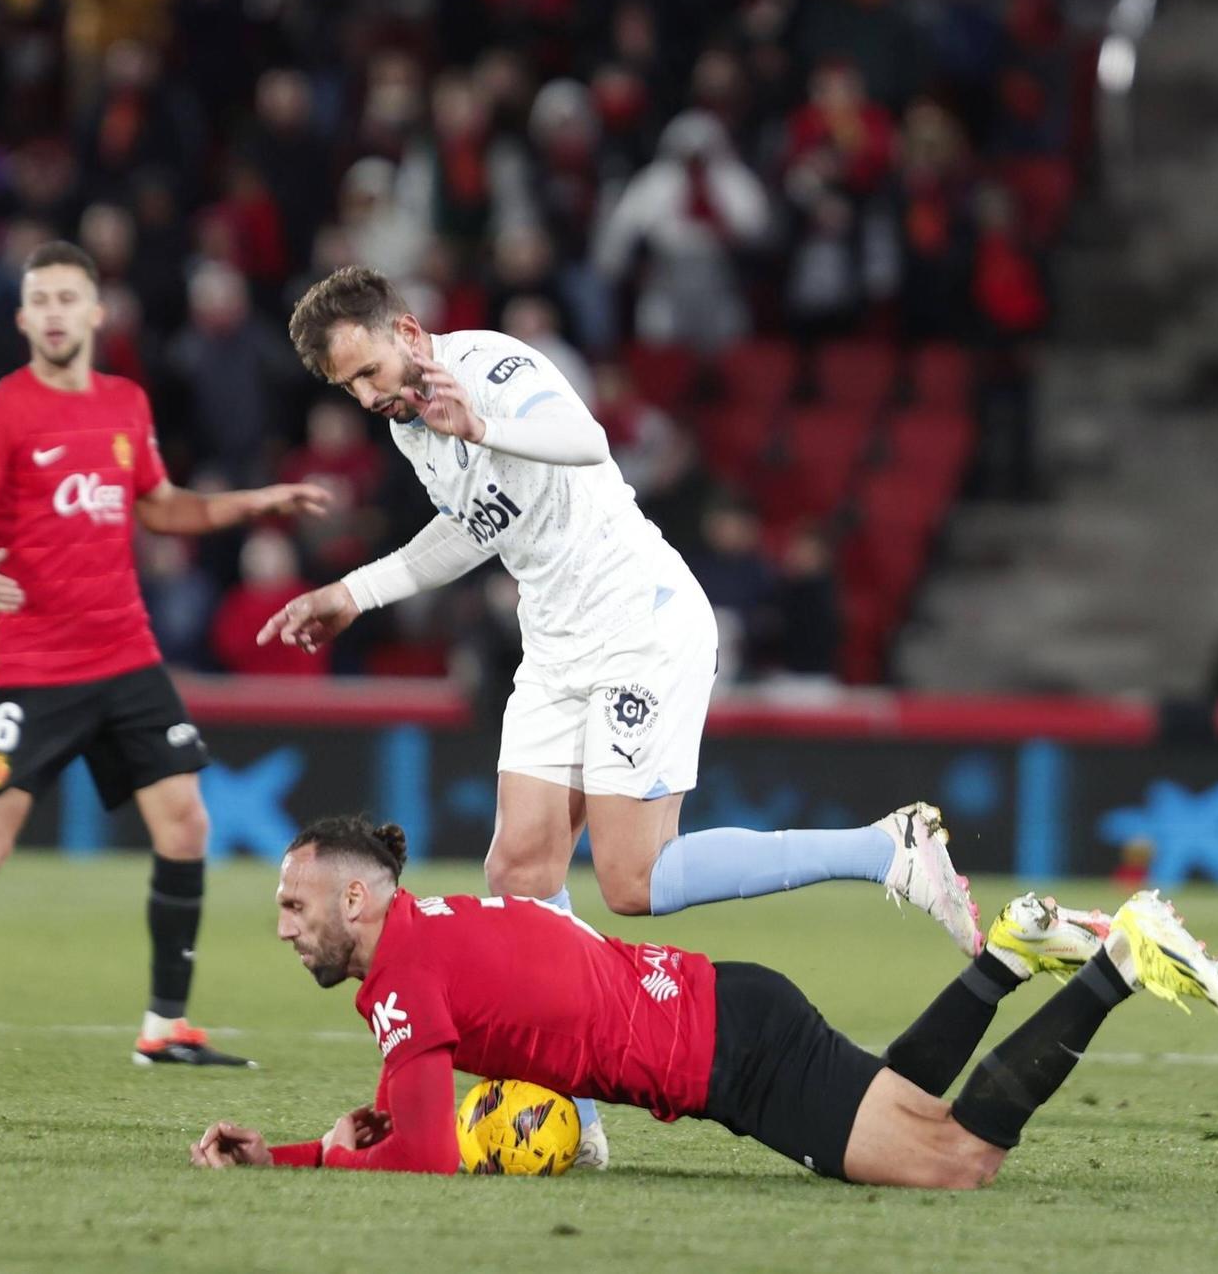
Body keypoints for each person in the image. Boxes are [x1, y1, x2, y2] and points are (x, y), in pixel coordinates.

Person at [270, 266, 982, 1167]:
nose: (368, 398)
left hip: (637, 623)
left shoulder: (486, 369)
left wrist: (481, 423)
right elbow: (470, 527)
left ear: (407, 333)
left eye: (368, 372)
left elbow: (584, 436)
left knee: (632, 882)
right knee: (519, 870)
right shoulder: (416, 428)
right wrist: (352, 591)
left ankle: (886, 849)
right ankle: (576, 1126)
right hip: (557, 643)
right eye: (348, 390)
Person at [0, 241, 327, 1068]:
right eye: (40, 301)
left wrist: (257, 500)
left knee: (185, 823)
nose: (54, 313)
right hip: (36, 671)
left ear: (96, 311)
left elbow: (164, 508)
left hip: (128, 657)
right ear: (23, 317)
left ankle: (164, 1026)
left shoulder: (125, 404)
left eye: (69, 298)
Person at [190, 817, 1218, 1180]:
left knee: (954, 1161)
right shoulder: (424, 936)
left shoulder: (402, 977)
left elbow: (418, 1154)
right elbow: (418, 1106)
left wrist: (315, 1152)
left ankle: (1117, 961)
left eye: (294, 903)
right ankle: (1009, 957)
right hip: (727, 1012)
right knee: (898, 1105)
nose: (283, 925)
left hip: (732, 1055)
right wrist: (331, 1136)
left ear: (356, 895)